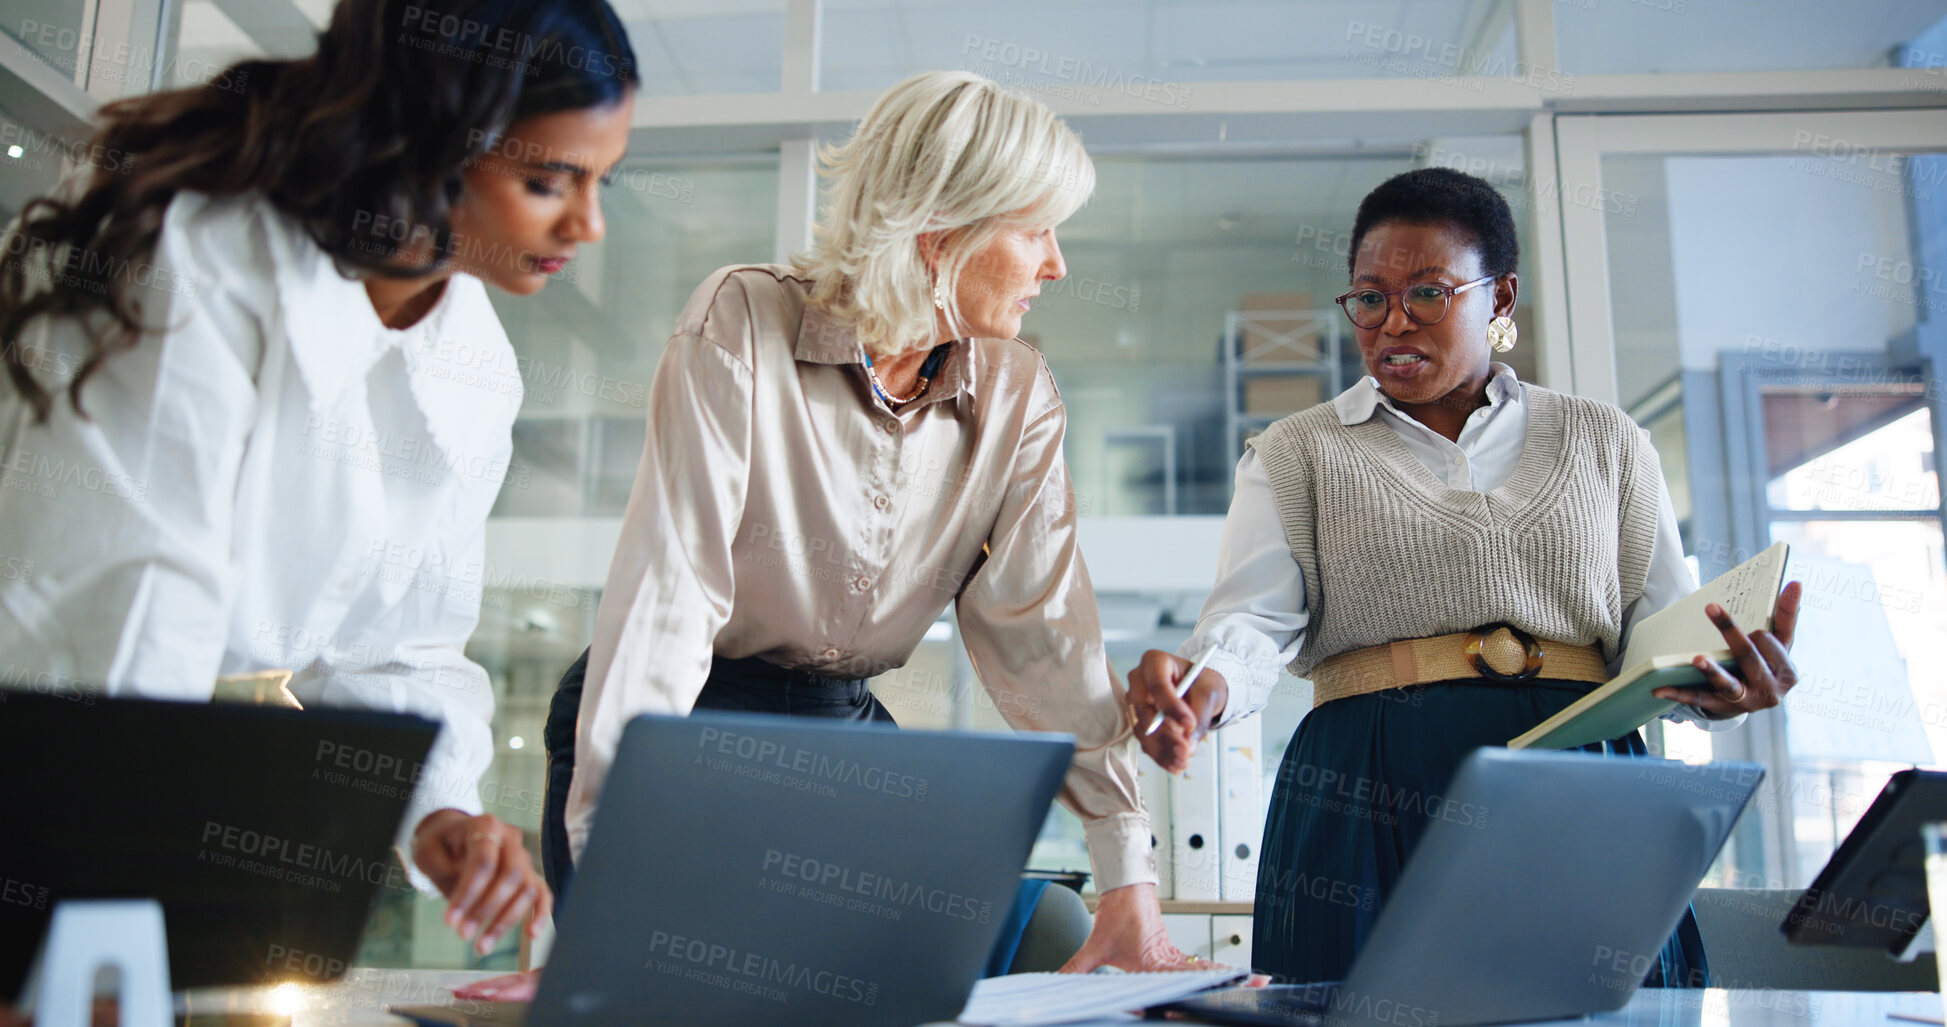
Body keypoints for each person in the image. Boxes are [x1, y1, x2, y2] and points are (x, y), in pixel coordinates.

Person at [455, 70, 1210, 1002]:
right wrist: (609, 905)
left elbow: (1046, 640)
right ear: (941, 229)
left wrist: (1129, 886)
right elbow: (669, 601)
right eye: (1035, 230)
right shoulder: (742, 318)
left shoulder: (1018, 393)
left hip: (848, 740)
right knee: (654, 1002)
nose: (1055, 265)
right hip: (684, 730)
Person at [0, 0, 638, 957]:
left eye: (600, 181)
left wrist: (439, 812)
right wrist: (92, 919)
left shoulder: (475, 362)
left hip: (136, 776)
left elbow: (402, 649)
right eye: (548, 180)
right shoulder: (198, 252)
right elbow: (121, 616)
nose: (586, 224)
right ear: (431, 140)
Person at [1126, 167, 1803, 985]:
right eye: (1369, 298)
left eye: (1427, 293)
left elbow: (1658, 639)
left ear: (1500, 297)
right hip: (1367, 783)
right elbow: (1249, 625)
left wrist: (1722, 686)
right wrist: (1200, 689)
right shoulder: (1296, 451)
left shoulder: (1606, 441)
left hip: (1583, 776)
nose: (1392, 321)